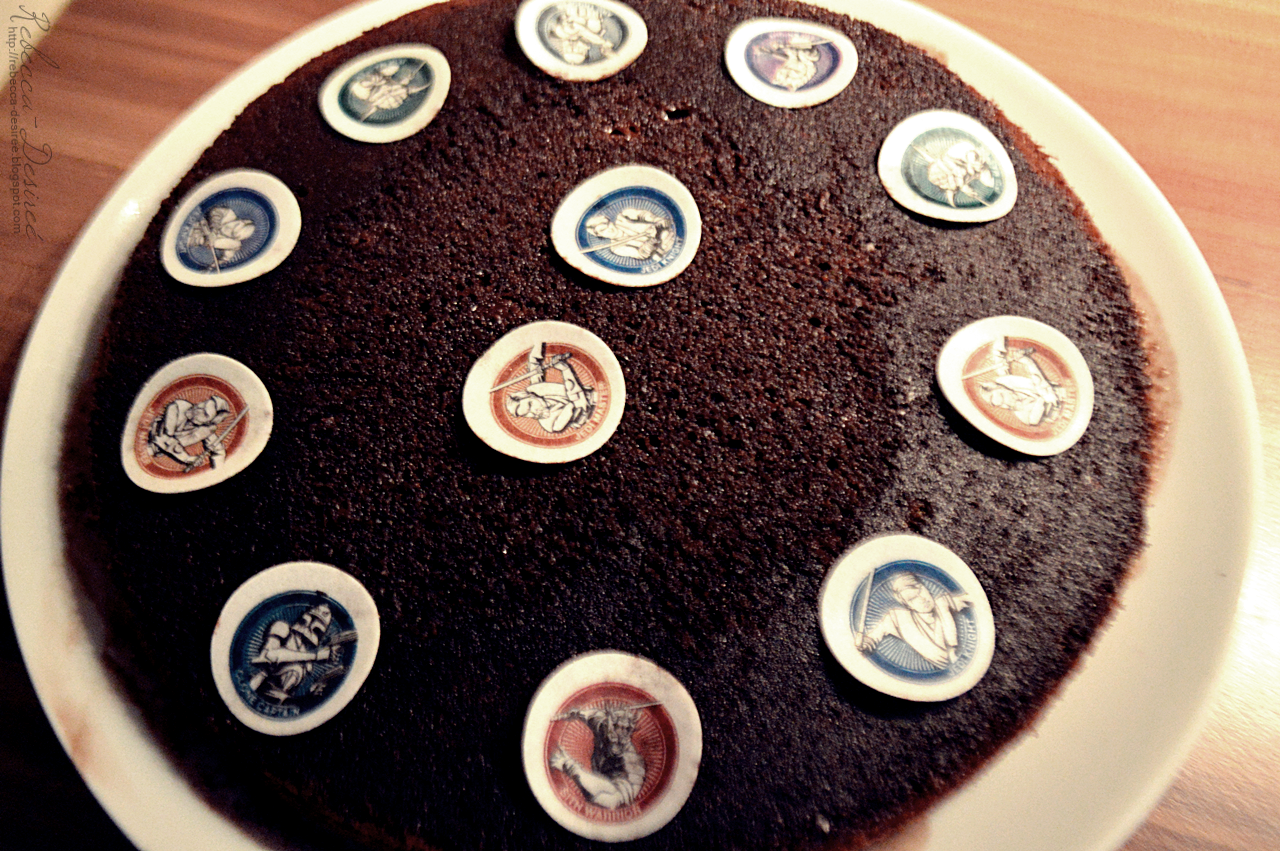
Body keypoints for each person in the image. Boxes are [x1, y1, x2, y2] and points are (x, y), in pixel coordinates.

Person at [855, 572, 972, 669]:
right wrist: (863, 644)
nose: (922, 599)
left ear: (926, 588)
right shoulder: (898, 619)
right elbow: (872, 637)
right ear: (907, 605)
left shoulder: (943, 603)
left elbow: (973, 598)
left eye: (920, 591)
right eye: (912, 598)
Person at [246, 603, 336, 705]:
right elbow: (268, 656)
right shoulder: (282, 628)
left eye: (317, 630)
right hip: (260, 686)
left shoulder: (305, 653)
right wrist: (315, 656)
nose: (311, 630)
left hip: (281, 699)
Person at [504, 344, 596, 434]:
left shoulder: (537, 390)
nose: (534, 412)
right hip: (592, 411)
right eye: (527, 414)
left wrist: (538, 342)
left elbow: (534, 365)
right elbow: (578, 402)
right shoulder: (549, 424)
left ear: (530, 395)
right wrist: (565, 369)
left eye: (530, 404)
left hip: (593, 395)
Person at [147, 394, 232, 470]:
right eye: (203, 404)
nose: (200, 408)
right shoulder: (177, 407)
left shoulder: (205, 429)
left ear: (208, 422)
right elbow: (164, 438)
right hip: (148, 447)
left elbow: (219, 451)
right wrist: (186, 458)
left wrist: (217, 471)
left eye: (205, 414)